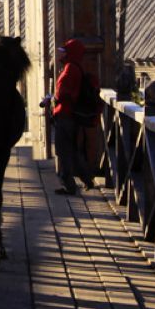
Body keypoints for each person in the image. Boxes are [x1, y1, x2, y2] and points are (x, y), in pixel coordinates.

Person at [51, 37, 97, 195]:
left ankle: (69, 185)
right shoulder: (76, 67)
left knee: (63, 150)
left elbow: (63, 93)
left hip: (64, 114)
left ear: (71, 53)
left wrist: (53, 98)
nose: (61, 55)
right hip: (70, 114)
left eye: (65, 52)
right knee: (72, 149)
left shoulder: (70, 68)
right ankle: (86, 178)